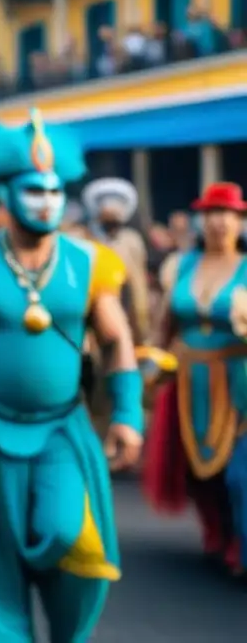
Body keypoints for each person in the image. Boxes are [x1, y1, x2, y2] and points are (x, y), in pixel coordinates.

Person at [0, 110, 143, 641]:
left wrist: (129, 414)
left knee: (66, 532)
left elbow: (116, 340)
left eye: (54, 190)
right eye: (33, 190)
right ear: (5, 193)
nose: (46, 200)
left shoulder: (91, 263)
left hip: (61, 431)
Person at [144, 181, 247, 576]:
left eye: (227, 215)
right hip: (188, 383)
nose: (219, 223)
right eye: (211, 215)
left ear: (239, 221)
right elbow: (164, 328)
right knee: (198, 471)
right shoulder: (183, 266)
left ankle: (241, 540)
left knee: (240, 471)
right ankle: (217, 530)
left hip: (238, 382)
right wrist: (150, 370)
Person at [84, 178, 151, 345]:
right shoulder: (86, 241)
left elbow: (139, 284)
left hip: (128, 309)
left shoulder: (131, 240)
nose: (113, 215)